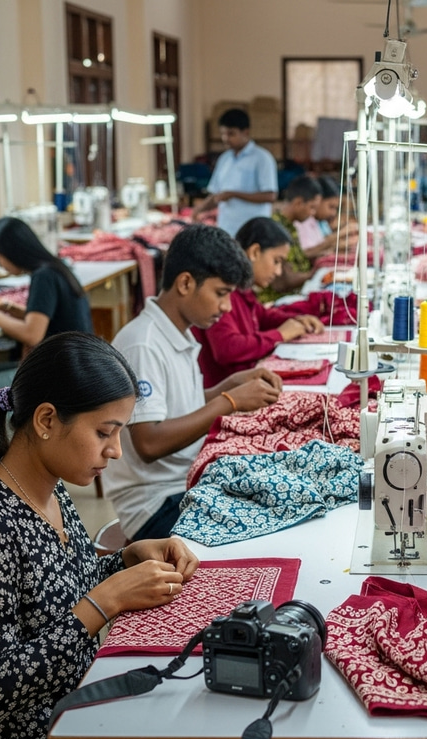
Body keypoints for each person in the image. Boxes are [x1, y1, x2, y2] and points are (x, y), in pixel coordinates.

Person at [0, 331, 235, 739]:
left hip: (72, 719)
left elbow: (62, 587)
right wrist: (107, 599)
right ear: (46, 420)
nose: (116, 451)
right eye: (104, 432)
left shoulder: (51, 489)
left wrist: (125, 559)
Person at [104, 224, 283, 542]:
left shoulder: (178, 332)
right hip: (156, 505)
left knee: (281, 488)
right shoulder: (143, 344)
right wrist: (228, 403)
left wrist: (228, 386)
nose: (227, 307)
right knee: (269, 522)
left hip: (184, 484)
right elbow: (149, 442)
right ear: (186, 282)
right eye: (220, 293)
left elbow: (176, 405)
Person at [196, 217, 324, 387]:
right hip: (223, 394)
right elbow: (227, 348)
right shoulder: (225, 292)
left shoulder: (242, 290)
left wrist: (294, 320)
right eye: (276, 261)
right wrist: (280, 334)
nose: (278, 272)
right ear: (255, 252)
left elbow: (261, 315)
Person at [0, 216, 92, 348]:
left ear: (13, 252)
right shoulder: (54, 267)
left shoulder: (44, 276)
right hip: (76, 359)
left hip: (63, 364)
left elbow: (32, 335)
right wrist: (6, 307)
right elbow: (42, 318)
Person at [192, 107, 279, 236]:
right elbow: (216, 195)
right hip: (228, 229)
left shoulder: (262, 158)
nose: (226, 138)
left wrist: (234, 194)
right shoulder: (224, 159)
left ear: (246, 132)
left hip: (254, 230)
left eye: (231, 134)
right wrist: (199, 210)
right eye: (223, 134)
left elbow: (270, 196)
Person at [256, 174, 323, 303]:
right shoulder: (276, 229)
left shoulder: (290, 226)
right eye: (312, 207)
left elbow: (298, 260)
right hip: (277, 300)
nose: (313, 213)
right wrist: (314, 274)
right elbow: (283, 282)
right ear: (298, 202)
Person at [295, 175, 358, 259]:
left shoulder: (320, 222)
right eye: (331, 207)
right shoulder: (303, 221)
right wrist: (340, 234)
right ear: (318, 200)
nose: (333, 213)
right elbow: (307, 252)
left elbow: (325, 246)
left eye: (336, 208)